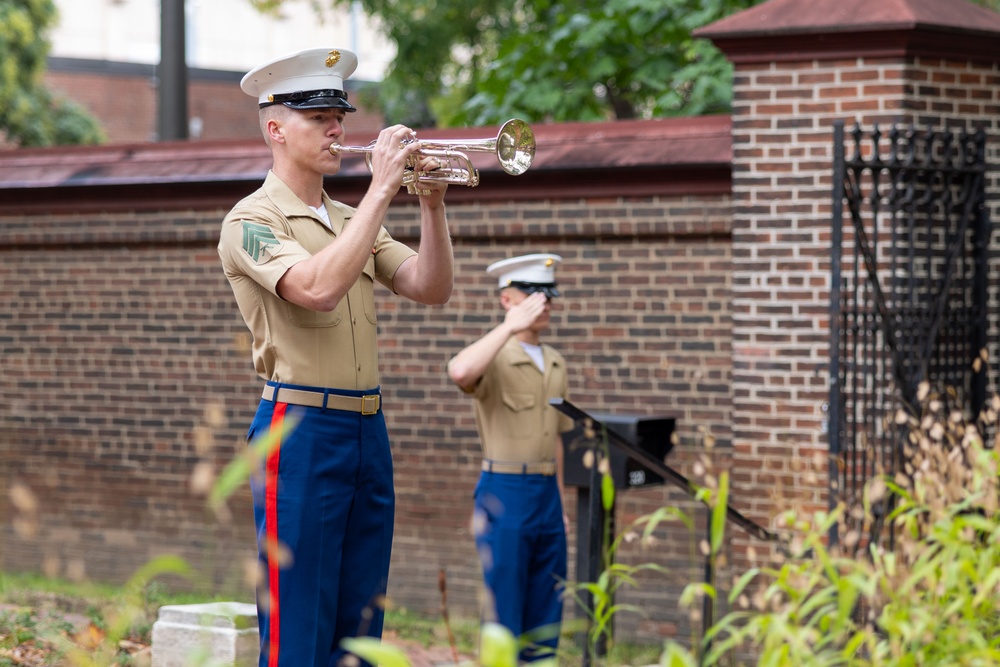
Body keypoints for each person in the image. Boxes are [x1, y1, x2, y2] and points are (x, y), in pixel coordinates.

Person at [217, 47, 454, 667]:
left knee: (361, 625)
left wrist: (430, 204)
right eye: (317, 116)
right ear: (275, 127)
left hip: (366, 430)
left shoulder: (352, 219)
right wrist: (382, 188)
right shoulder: (251, 220)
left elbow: (430, 287)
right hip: (297, 429)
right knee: (299, 623)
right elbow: (317, 290)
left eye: (338, 116)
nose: (335, 129)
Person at [446, 253, 573, 662]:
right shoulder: (494, 355)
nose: (544, 303)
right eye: (533, 294)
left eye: (548, 295)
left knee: (547, 598)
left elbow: (556, 436)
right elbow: (461, 372)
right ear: (507, 300)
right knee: (505, 600)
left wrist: (561, 503)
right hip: (506, 489)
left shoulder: (555, 362)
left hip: (545, 492)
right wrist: (508, 329)